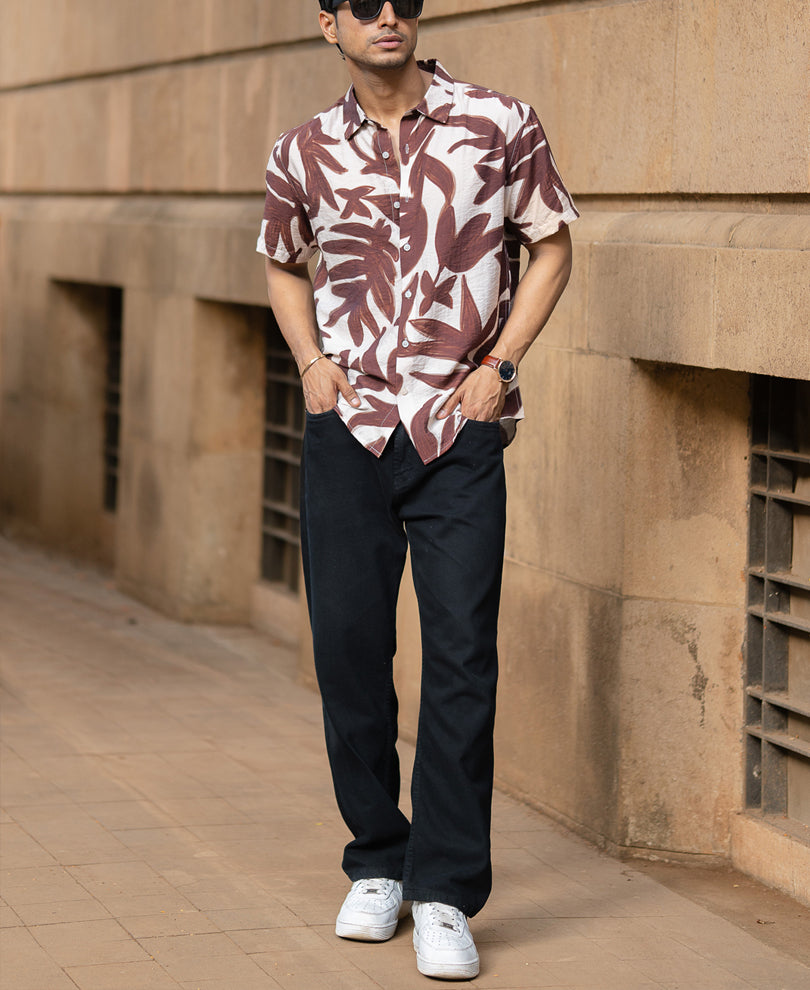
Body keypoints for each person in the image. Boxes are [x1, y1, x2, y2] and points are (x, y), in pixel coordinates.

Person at [257, 0, 577, 979]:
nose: (387, 14)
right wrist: (310, 361)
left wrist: (505, 366)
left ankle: (443, 890)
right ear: (328, 25)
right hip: (348, 429)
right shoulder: (302, 151)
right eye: (362, 2)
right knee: (349, 648)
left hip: (458, 429)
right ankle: (377, 861)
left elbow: (553, 241)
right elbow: (281, 261)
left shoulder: (498, 122)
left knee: (461, 657)